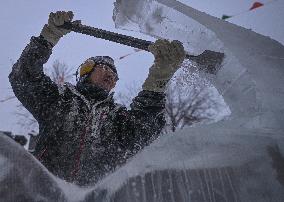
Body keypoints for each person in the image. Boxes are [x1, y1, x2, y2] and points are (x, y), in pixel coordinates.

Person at [9, 11, 185, 186]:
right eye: (105, 68)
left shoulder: (117, 118)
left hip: (93, 196)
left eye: (115, 74)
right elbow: (24, 76)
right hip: (44, 191)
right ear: (86, 71)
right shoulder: (59, 101)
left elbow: (146, 127)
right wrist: (47, 38)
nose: (112, 74)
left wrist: (158, 79)